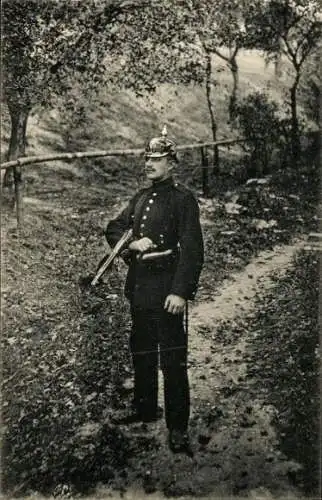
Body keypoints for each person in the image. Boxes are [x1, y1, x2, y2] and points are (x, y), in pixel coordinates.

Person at [105, 129, 204, 453]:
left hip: (166, 291)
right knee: (142, 352)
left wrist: (180, 292)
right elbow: (114, 228)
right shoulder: (141, 198)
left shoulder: (182, 199)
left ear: (171, 163)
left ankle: (177, 427)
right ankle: (145, 407)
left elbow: (192, 250)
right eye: (147, 158)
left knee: (172, 359)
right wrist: (131, 242)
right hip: (140, 289)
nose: (149, 164)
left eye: (157, 159)